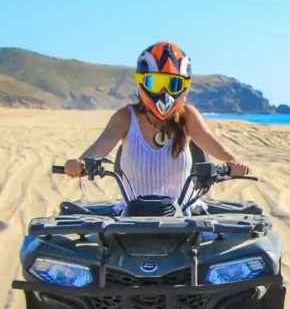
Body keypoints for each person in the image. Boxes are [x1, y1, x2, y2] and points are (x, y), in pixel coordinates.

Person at [64, 42, 250, 204]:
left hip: (183, 214)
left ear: (185, 86)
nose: (165, 92)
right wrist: (81, 163)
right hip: (134, 214)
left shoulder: (187, 116)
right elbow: (102, 144)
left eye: (173, 84)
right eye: (155, 83)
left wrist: (234, 161)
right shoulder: (126, 117)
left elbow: (208, 140)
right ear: (141, 82)